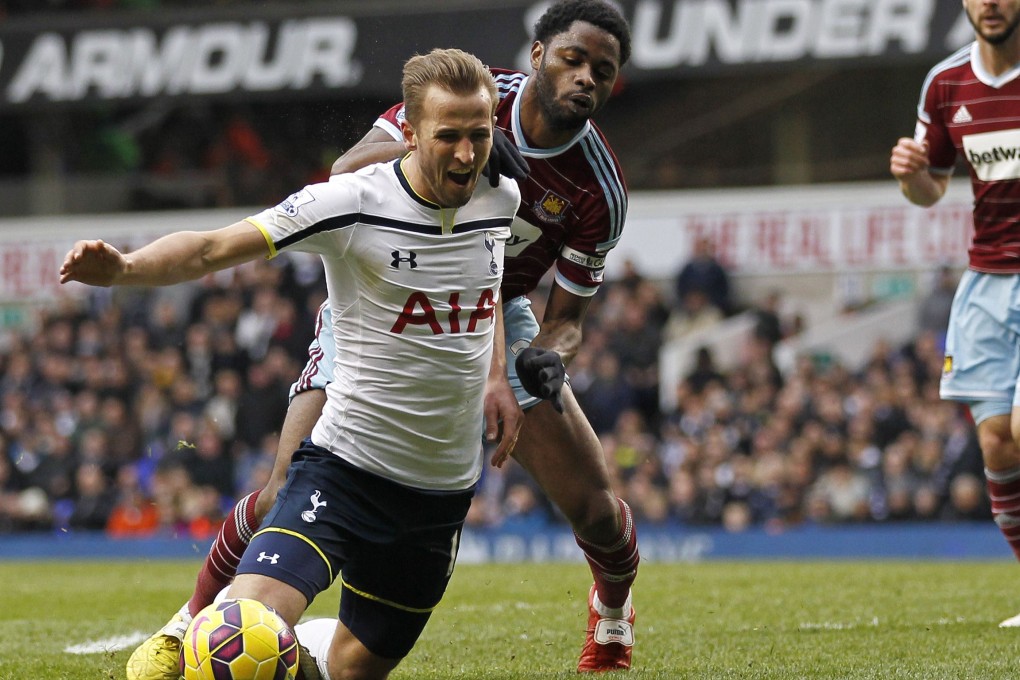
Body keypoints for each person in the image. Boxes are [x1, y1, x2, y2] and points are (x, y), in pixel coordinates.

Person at [130, 0, 639, 674]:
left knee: (594, 504)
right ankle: (190, 623)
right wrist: (438, 144)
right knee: (286, 479)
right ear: (539, 54)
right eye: (573, 58)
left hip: (491, 308)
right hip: (382, 293)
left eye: (602, 72)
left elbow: (566, 319)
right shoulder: (465, 98)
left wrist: (543, 358)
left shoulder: (598, 188)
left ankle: (612, 613)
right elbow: (348, 168)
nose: (585, 78)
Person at [63, 48, 535, 680]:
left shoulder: (501, 196)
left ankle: (299, 650)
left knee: (349, 671)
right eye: (447, 136)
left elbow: (489, 283)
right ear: (411, 133)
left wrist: (499, 374)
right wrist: (125, 268)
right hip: (342, 470)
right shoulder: (351, 201)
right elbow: (211, 248)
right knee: (245, 627)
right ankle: (192, 633)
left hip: (440, 494)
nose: (465, 154)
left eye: (478, 136)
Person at [889, 0, 1020, 628]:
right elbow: (931, 186)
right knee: (996, 444)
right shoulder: (945, 84)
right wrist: (910, 175)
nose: (990, 4)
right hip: (988, 281)